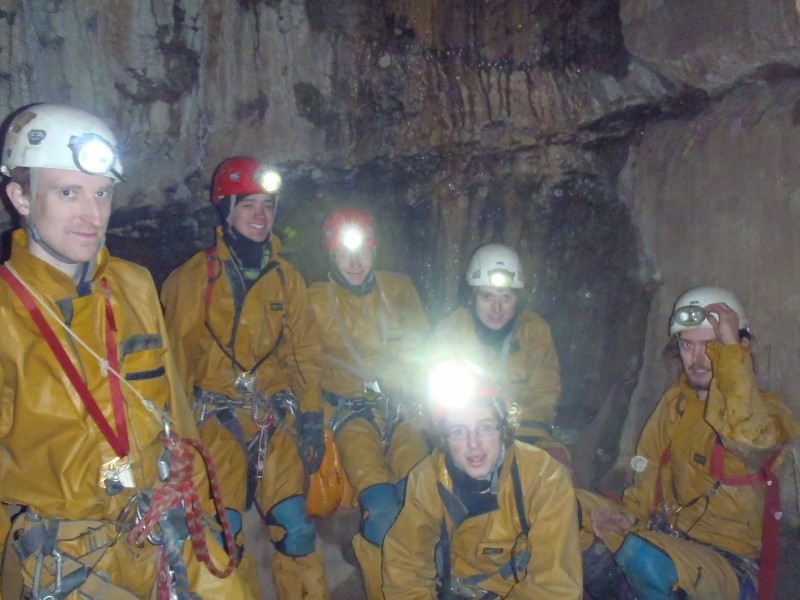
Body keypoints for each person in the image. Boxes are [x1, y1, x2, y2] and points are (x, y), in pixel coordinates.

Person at [0, 104, 252, 598]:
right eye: (68, 192)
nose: (92, 216)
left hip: (160, 520)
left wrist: (197, 505)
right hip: (62, 552)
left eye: (102, 193)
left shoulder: (134, 286)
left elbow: (176, 412)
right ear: (20, 197)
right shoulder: (6, 314)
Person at [160, 156, 329, 599]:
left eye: (268, 206)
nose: (261, 216)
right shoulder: (193, 279)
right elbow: (175, 363)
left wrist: (311, 417)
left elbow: (305, 354)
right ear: (227, 211)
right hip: (215, 421)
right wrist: (174, 439)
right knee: (222, 534)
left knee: (296, 528)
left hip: (271, 419)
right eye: (249, 205)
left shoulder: (287, 279)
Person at [579, 286, 799, 600]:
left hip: (727, 562)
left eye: (711, 346)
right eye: (687, 345)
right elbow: (648, 465)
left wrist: (733, 352)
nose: (697, 359)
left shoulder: (770, 411)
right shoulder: (674, 403)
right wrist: (629, 515)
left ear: (738, 347)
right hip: (665, 535)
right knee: (563, 507)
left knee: (644, 558)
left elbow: (750, 442)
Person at [307, 206, 431, 599]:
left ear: (375, 251)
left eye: (362, 252)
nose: (355, 263)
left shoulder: (399, 289)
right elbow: (301, 361)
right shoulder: (313, 300)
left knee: (423, 502)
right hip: (349, 414)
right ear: (331, 256)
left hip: (402, 411)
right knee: (381, 510)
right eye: (345, 254)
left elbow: (423, 348)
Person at [382, 360, 583, 599]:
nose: (473, 443)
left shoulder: (543, 477)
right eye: (458, 431)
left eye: (485, 428)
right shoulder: (427, 479)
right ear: (444, 438)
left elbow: (554, 587)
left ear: (503, 429)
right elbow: (405, 567)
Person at [427, 243, 569, 465]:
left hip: (522, 433)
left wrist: (517, 436)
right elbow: (434, 399)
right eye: (487, 297)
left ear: (518, 300)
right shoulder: (449, 333)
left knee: (555, 468)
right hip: (466, 435)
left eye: (506, 297)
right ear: (472, 297)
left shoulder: (534, 332)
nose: (496, 308)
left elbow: (543, 394)